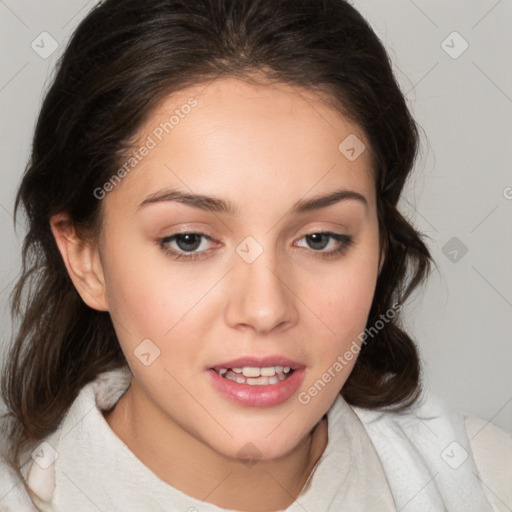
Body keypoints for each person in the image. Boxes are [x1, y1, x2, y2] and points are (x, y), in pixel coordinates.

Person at [0, 0, 510, 510]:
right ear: (86, 258)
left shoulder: (484, 482)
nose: (265, 310)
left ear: (379, 247)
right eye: (189, 240)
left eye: (319, 239)